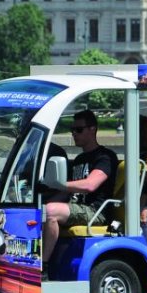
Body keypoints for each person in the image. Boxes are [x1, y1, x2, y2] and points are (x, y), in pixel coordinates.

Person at [43, 110, 118, 268]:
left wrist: (58, 183)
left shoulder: (105, 157)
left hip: (96, 212)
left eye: (79, 130)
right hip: (77, 208)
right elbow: (67, 191)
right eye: (72, 130)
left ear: (93, 129)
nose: (74, 134)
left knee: (50, 212)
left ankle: (43, 265)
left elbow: (90, 185)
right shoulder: (79, 159)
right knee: (39, 210)